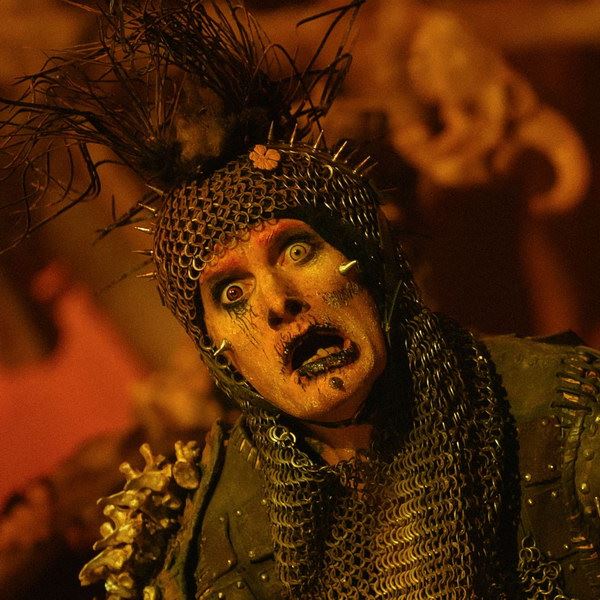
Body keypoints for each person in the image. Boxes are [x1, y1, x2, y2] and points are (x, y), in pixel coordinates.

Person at [1, 2, 599, 599]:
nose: (278, 302)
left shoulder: (565, 419)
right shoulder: (218, 544)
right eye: (232, 292)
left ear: (372, 263)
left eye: (296, 251)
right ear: (219, 354)